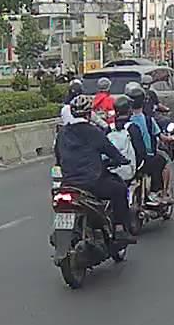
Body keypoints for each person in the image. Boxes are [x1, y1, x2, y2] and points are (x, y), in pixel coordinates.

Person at [54, 95, 135, 244]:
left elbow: (58, 157)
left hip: (68, 184)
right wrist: (121, 160)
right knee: (120, 189)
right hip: (92, 183)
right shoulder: (93, 131)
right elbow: (110, 150)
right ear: (88, 114)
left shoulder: (62, 133)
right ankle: (119, 229)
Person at [123, 82, 172, 204]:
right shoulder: (148, 120)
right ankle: (158, 192)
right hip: (145, 159)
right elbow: (162, 137)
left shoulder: (123, 122)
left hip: (127, 159)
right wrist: (171, 138)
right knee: (163, 161)